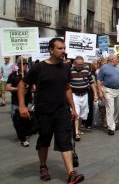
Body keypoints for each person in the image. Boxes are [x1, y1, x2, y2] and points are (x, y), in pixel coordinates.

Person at [17, 37, 84, 183]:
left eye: (64, 48)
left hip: (62, 111)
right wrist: (22, 106)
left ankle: (71, 173)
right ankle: (43, 166)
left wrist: (73, 108)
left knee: (65, 140)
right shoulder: (39, 67)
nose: (63, 51)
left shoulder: (66, 67)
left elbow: (67, 87)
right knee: (44, 139)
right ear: (50, 50)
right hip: (44, 111)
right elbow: (22, 84)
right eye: (59, 48)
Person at [6, 57, 33, 147]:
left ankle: (24, 134)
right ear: (18, 65)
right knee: (15, 120)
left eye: (26, 64)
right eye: (23, 64)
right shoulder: (13, 75)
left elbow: (34, 87)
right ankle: (21, 136)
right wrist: (18, 89)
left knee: (26, 120)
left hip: (27, 101)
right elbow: (8, 87)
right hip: (16, 102)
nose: (25, 65)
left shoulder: (29, 75)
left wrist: (31, 89)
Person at [69, 56, 97, 141]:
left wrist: (95, 93)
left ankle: (79, 129)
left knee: (82, 114)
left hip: (84, 95)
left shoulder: (87, 70)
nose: (80, 66)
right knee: (76, 113)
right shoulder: (69, 71)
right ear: (74, 63)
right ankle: (76, 132)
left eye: (82, 64)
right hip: (74, 95)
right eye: (78, 64)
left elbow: (91, 82)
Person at [97, 55, 119, 135]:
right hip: (108, 90)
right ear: (112, 59)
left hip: (118, 90)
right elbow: (98, 80)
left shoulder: (118, 68)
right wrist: (100, 92)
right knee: (110, 109)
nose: (118, 60)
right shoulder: (104, 67)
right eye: (116, 59)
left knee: (117, 108)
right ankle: (111, 127)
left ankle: (113, 123)